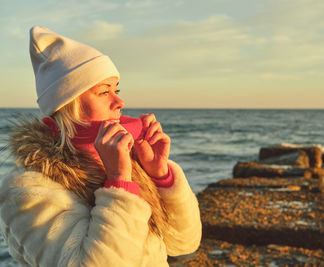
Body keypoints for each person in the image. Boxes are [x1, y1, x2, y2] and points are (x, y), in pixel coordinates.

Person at [0, 26, 201, 266]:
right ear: (67, 105)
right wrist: (118, 184)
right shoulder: (27, 190)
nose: (119, 101)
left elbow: (183, 244)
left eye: (116, 90)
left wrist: (161, 176)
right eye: (104, 92)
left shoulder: (126, 163)